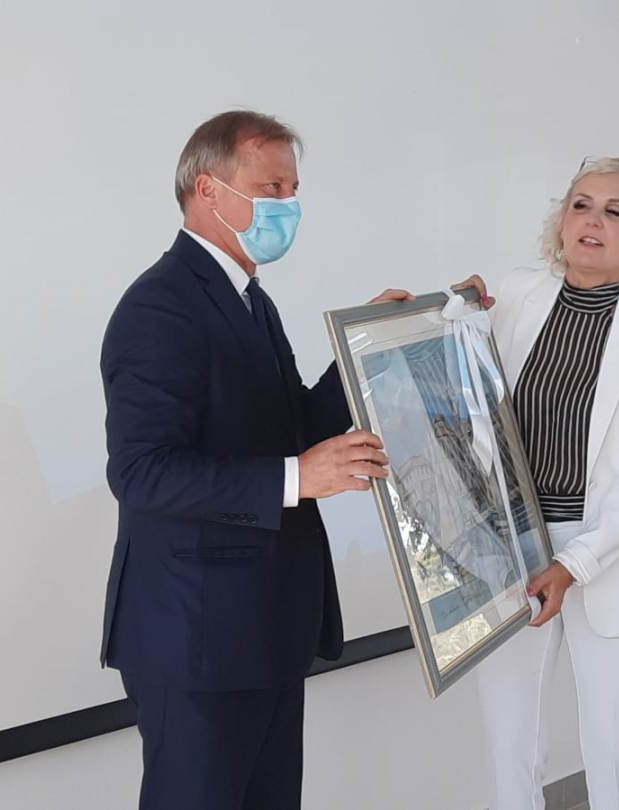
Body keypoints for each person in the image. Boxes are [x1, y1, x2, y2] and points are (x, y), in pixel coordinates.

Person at [98, 110, 411, 810]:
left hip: (264, 627)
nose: (287, 207)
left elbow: (290, 426)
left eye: (293, 190)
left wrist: (362, 347)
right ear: (208, 190)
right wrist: (300, 477)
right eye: (271, 188)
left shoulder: (249, 301)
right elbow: (141, 472)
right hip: (199, 639)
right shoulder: (159, 308)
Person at [455, 156, 619, 810]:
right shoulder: (516, 295)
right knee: (512, 749)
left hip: (614, 555)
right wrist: (442, 317)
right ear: (561, 221)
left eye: (615, 211)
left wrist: (573, 564)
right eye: (581, 205)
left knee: (613, 757)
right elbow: (472, 400)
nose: (593, 220)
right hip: (512, 549)